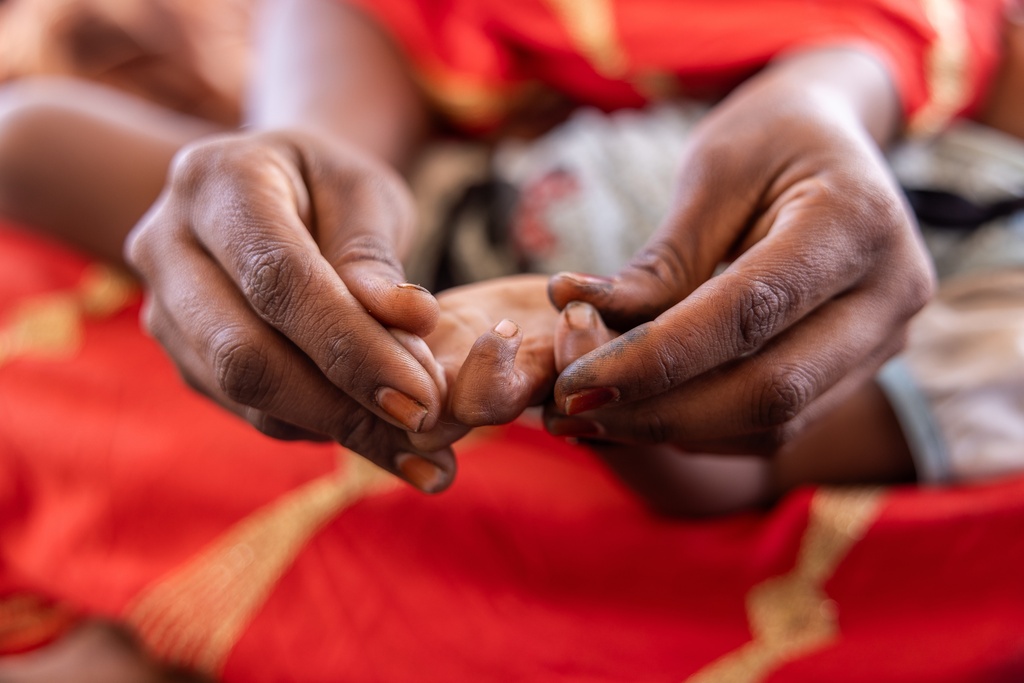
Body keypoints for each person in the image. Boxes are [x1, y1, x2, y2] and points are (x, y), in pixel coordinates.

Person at [0, 0, 1016, 496]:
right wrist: (315, 160)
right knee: (30, 133)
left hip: (473, 296)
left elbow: (748, 474)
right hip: (414, 196)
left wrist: (602, 390)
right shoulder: (946, 63)